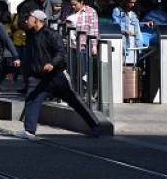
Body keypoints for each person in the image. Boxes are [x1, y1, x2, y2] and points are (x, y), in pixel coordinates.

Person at [18, 10, 104, 139]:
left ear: (37, 20)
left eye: (29, 18)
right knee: (31, 99)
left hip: (55, 77)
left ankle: (95, 126)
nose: (26, 20)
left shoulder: (51, 34)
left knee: (74, 100)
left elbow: (60, 52)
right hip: (37, 77)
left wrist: (52, 64)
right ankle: (29, 131)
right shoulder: (30, 34)